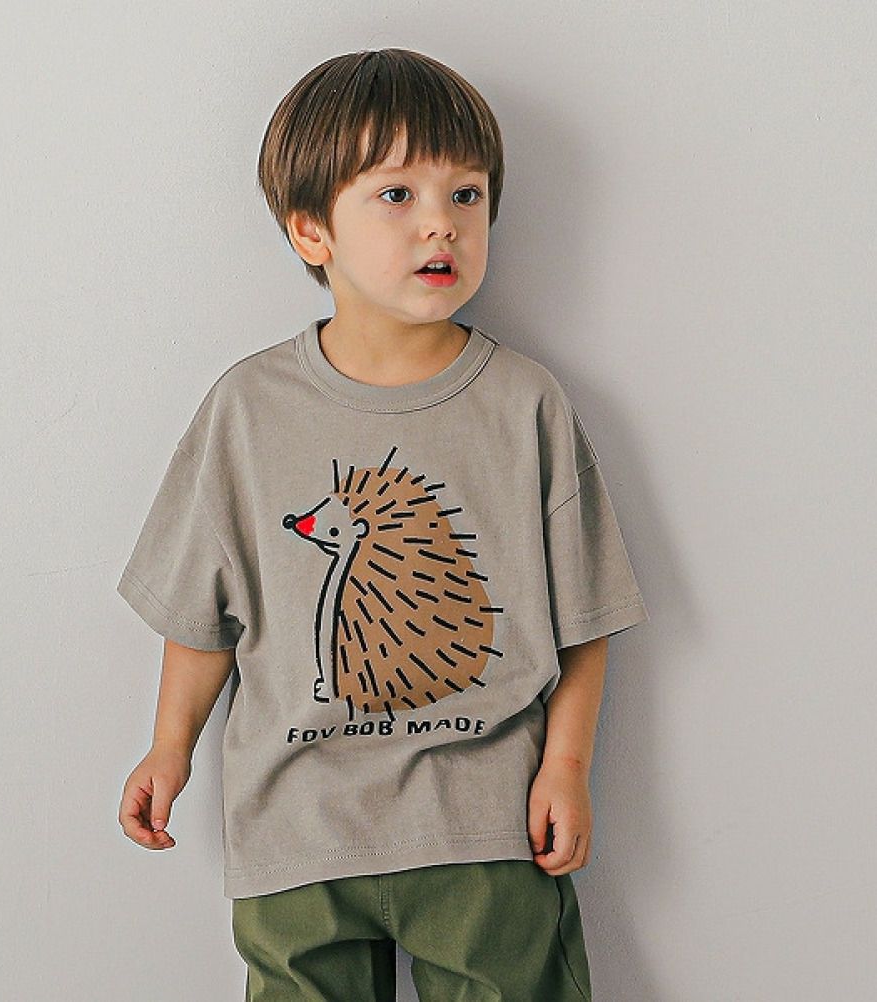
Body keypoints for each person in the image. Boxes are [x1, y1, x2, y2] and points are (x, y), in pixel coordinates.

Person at [117, 47, 649, 1001]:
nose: (442, 222)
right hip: (296, 830)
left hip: (484, 828)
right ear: (311, 229)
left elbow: (585, 619)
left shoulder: (524, 404)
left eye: (467, 194)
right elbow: (201, 613)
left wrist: (566, 766)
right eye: (397, 195)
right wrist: (169, 746)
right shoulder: (248, 410)